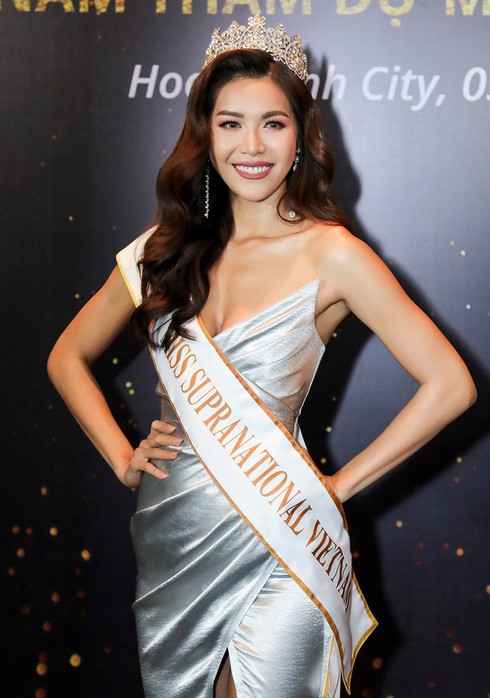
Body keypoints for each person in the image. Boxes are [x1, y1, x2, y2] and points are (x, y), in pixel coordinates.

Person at [47, 15, 476, 698]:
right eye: (231, 124)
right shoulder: (163, 249)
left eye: (273, 124)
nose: (252, 146)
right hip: (173, 534)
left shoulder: (333, 254)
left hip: (282, 534)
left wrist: (337, 488)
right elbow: (66, 356)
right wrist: (123, 457)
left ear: (301, 137)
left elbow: (451, 384)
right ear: (205, 135)